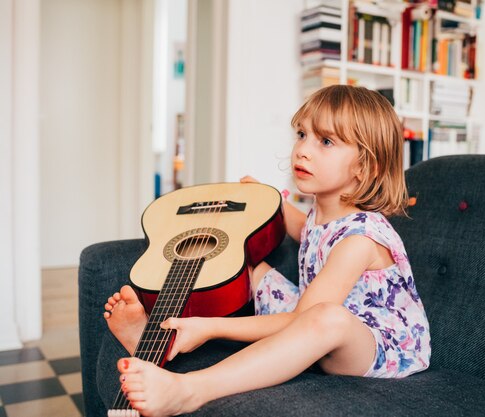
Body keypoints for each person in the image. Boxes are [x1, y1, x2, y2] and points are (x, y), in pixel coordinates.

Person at [103, 85, 431, 417]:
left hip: (374, 345)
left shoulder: (360, 239)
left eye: (326, 142)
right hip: (315, 318)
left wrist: (212, 326)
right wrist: (262, 196)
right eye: (302, 134)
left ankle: (190, 389)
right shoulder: (323, 216)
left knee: (326, 318)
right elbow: (307, 234)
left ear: (366, 168)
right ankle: (160, 341)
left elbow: (305, 316)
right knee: (246, 264)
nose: (303, 150)